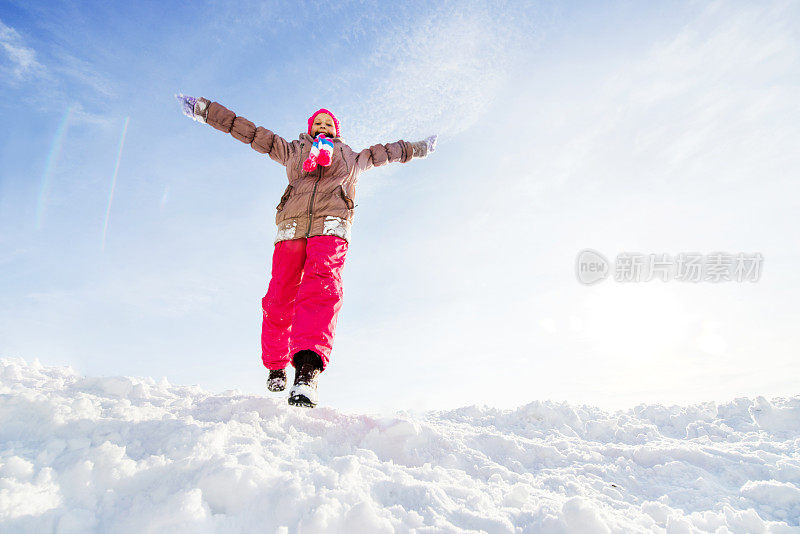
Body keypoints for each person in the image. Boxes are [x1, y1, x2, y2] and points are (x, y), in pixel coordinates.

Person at [177, 94, 437, 407]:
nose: (323, 127)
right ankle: (275, 364)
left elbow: (387, 152)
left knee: (321, 290)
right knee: (279, 299)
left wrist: (419, 148)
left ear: (336, 130)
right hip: (291, 227)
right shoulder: (292, 151)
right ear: (310, 129)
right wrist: (206, 111)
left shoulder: (352, 157)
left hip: (331, 227)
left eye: (328, 123)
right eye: (318, 123)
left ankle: (306, 372)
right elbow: (248, 131)